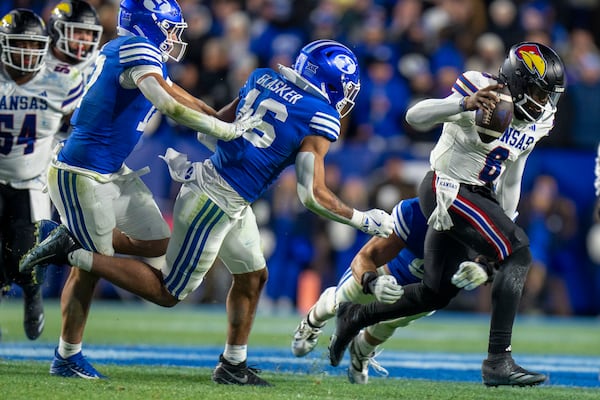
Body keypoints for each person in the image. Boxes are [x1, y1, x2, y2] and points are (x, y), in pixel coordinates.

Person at [21, 38, 396, 386]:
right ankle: (73, 250)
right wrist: (363, 219)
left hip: (221, 188)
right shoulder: (320, 118)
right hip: (216, 201)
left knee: (253, 276)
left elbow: (212, 129)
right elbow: (311, 195)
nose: (346, 97)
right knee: (169, 291)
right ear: (331, 81)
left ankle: (232, 364)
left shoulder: (263, 77)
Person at [18, 0, 260, 379]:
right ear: (150, 25)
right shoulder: (136, 48)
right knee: (93, 266)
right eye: (170, 28)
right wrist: (223, 131)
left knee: (159, 242)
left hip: (112, 171)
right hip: (82, 172)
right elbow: (167, 104)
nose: (176, 37)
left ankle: (69, 242)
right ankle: (66, 354)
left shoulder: (134, 52)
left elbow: (175, 93)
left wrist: (215, 114)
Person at [328, 41, 566, 387]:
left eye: (547, 96)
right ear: (516, 81)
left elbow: (514, 173)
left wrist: (504, 228)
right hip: (446, 186)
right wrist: (463, 104)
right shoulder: (478, 87)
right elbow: (413, 117)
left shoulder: (539, 119)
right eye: (536, 92)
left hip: (477, 196)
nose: (543, 103)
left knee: (435, 292)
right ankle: (498, 360)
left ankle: (356, 316)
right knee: (520, 252)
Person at [291, 196, 491, 384]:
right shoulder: (416, 212)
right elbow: (365, 257)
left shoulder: (484, 221)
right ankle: (313, 320)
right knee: (345, 297)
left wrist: (485, 268)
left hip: (423, 289)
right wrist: (372, 282)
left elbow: (507, 258)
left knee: (396, 320)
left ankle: (362, 349)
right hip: (386, 271)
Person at [0, 8, 84, 341]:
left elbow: (77, 121)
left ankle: (33, 294)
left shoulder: (58, 80)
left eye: (33, 45)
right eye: (19, 44)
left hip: (28, 182)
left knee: (23, 257)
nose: (27, 53)